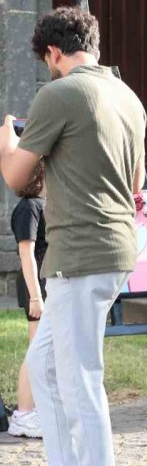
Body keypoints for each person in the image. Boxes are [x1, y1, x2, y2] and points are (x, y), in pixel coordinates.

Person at [3, 6, 146, 466]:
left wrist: (7, 143)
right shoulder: (127, 96)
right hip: (108, 247)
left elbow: (17, 179)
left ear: (54, 52)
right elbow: (134, 186)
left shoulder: (58, 93)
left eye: (47, 58)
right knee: (44, 370)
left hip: (81, 254)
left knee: (80, 375)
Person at [7, 162, 47, 439]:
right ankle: (23, 413)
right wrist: (36, 296)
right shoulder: (29, 208)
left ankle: (35, 409)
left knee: (43, 349)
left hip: (45, 283)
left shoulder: (38, 206)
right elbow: (26, 254)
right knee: (36, 349)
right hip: (36, 286)